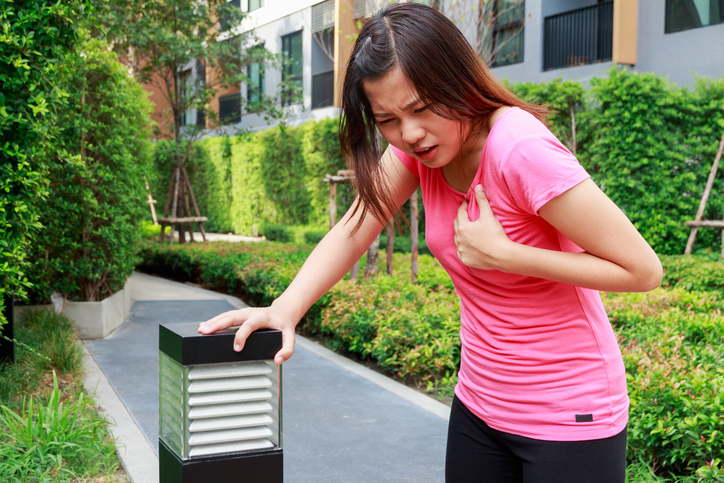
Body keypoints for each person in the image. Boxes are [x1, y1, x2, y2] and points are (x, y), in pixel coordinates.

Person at [199, 3, 663, 482]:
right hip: (480, 404)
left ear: (458, 81)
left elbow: (642, 270)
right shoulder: (418, 152)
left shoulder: (518, 148)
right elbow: (358, 223)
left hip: (569, 413)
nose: (410, 134)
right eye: (387, 119)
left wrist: (507, 255)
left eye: (421, 108)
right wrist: (286, 308)